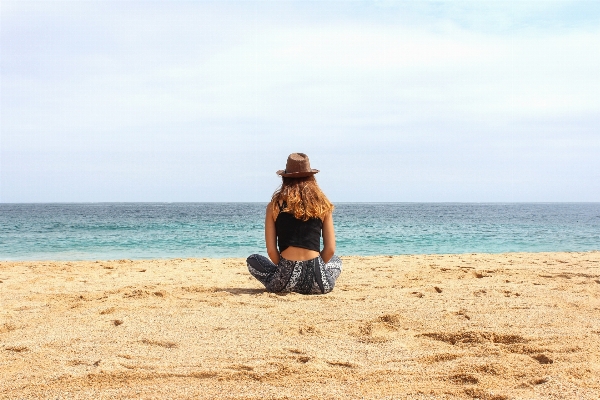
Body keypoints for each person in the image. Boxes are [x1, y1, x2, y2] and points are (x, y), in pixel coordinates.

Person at [247, 153, 342, 295]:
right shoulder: (322, 205)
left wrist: (286, 269)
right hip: (319, 283)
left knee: (252, 260)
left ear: (285, 178)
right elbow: (330, 250)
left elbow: (272, 251)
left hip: (285, 282)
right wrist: (313, 268)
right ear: (311, 178)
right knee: (336, 261)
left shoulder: (274, 206)